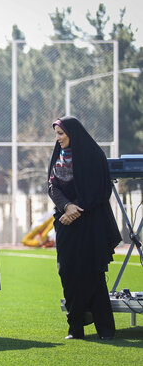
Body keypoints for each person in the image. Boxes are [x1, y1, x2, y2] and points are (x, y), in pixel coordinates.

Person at [48, 116, 122, 340]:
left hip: (91, 223)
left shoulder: (93, 155)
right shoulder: (58, 156)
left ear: (73, 133)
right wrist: (66, 207)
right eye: (57, 135)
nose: (58, 139)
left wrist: (76, 210)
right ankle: (75, 328)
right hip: (66, 222)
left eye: (61, 134)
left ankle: (105, 329)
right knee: (68, 272)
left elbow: (100, 189)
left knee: (93, 273)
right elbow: (52, 185)